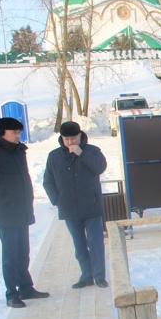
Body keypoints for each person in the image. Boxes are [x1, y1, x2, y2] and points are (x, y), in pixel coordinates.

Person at [0, 117, 49, 308]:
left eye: (19, 132)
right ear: (2, 133)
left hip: (22, 210)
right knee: (10, 255)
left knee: (23, 252)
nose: (18, 136)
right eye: (14, 132)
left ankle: (26, 287)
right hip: (5, 212)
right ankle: (11, 293)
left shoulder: (18, 151)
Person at [42, 121, 109, 289]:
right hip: (69, 209)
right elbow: (48, 181)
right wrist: (57, 200)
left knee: (95, 243)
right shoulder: (54, 156)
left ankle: (99, 276)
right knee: (79, 246)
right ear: (62, 138)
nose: (70, 142)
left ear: (80, 136)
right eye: (66, 139)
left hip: (91, 207)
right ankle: (86, 275)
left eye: (73, 138)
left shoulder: (92, 151)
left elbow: (100, 168)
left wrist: (82, 154)